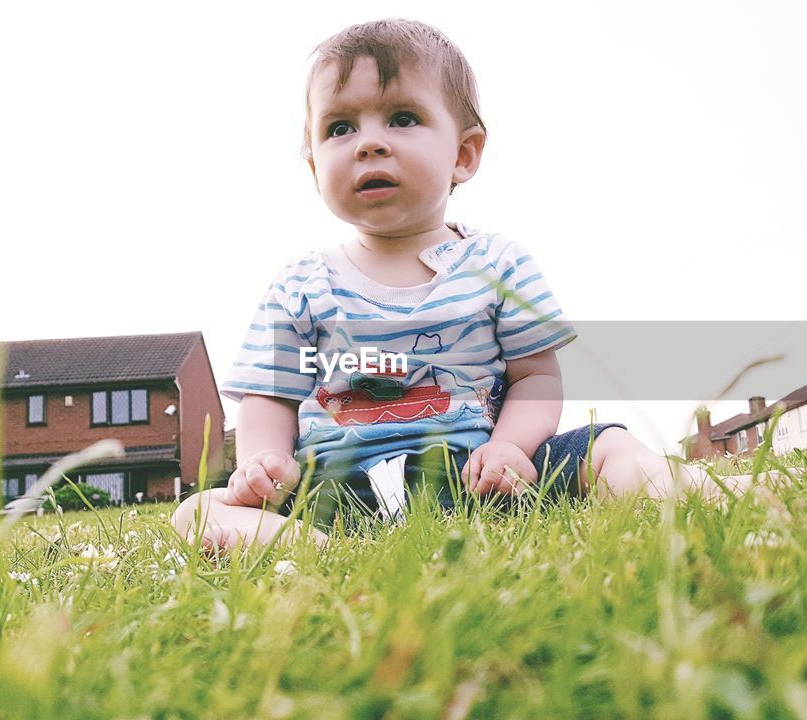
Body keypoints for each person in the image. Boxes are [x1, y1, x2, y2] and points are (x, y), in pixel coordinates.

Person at [174, 18, 762, 549]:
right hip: (335, 494)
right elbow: (270, 396)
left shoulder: (498, 265)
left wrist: (510, 447)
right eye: (340, 127)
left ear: (465, 154)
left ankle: (718, 500)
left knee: (608, 445)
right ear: (313, 168)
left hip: (482, 477)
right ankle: (310, 550)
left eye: (402, 118)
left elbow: (534, 378)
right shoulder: (300, 285)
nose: (369, 142)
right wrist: (265, 461)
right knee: (199, 511)